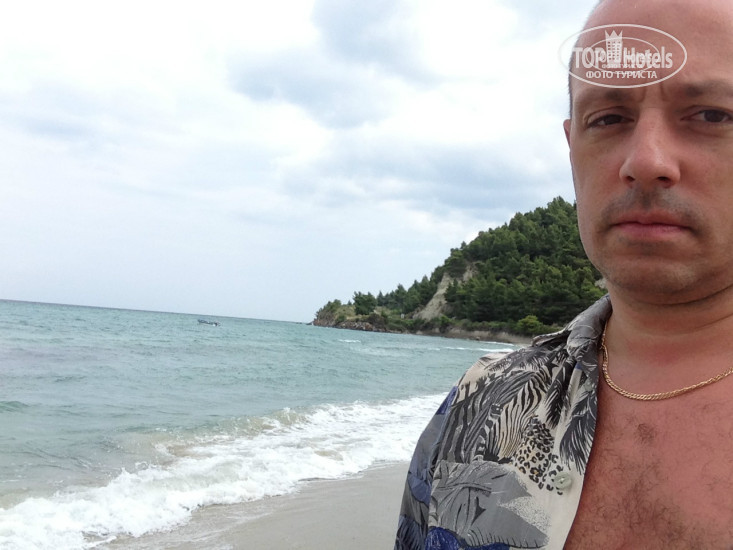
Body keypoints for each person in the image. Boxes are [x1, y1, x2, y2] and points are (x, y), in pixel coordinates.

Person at [394, 0, 733, 548]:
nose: (646, 161)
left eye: (712, 115)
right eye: (609, 118)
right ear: (573, 147)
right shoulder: (479, 402)